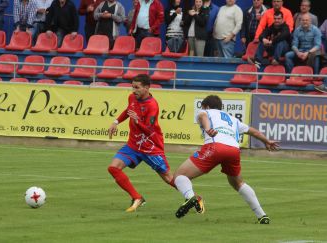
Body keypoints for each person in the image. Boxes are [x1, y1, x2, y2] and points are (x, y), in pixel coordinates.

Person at [173, 95, 279, 224]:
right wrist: (267, 141)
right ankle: (262, 215)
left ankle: (190, 197)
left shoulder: (205, 111)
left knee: (180, 175)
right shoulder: (232, 119)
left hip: (215, 147)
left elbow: (203, 117)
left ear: (206, 106)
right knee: (238, 183)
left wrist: (207, 129)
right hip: (234, 150)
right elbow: (253, 132)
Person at [107, 74, 174, 212]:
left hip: (151, 147)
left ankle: (192, 196)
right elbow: (128, 111)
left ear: (146, 88)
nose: (134, 90)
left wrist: (137, 121)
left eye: (137, 87)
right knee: (113, 168)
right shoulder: (132, 98)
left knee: (169, 178)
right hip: (133, 145)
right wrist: (116, 122)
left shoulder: (152, 105)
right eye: (132, 87)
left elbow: (150, 131)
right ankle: (137, 197)